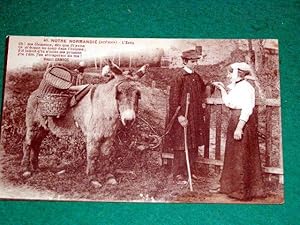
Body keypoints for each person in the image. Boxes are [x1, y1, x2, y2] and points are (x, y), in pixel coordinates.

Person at [212, 62, 266, 200]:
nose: (228, 76)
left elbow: (247, 109)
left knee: (241, 156)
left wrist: (239, 127)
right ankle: (230, 187)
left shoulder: (246, 88)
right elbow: (229, 103)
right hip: (235, 119)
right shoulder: (237, 87)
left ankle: (242, 191)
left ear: (240, 73)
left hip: (243, 122)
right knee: (233, 154)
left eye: (231, 73)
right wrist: (222, 89)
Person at [163, 49, 214, 184]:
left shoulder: (196, 77)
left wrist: (211, 86)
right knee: (181, 144)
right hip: (183, 117)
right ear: (185, 61)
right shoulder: (179, 77)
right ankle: (178, 174)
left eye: (196, 61)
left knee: (193, 143)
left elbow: (204, 90)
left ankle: (189, 171)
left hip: (195, 116)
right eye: (192, 61)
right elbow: (173, 100)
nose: (195, 64)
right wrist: (179, 117)